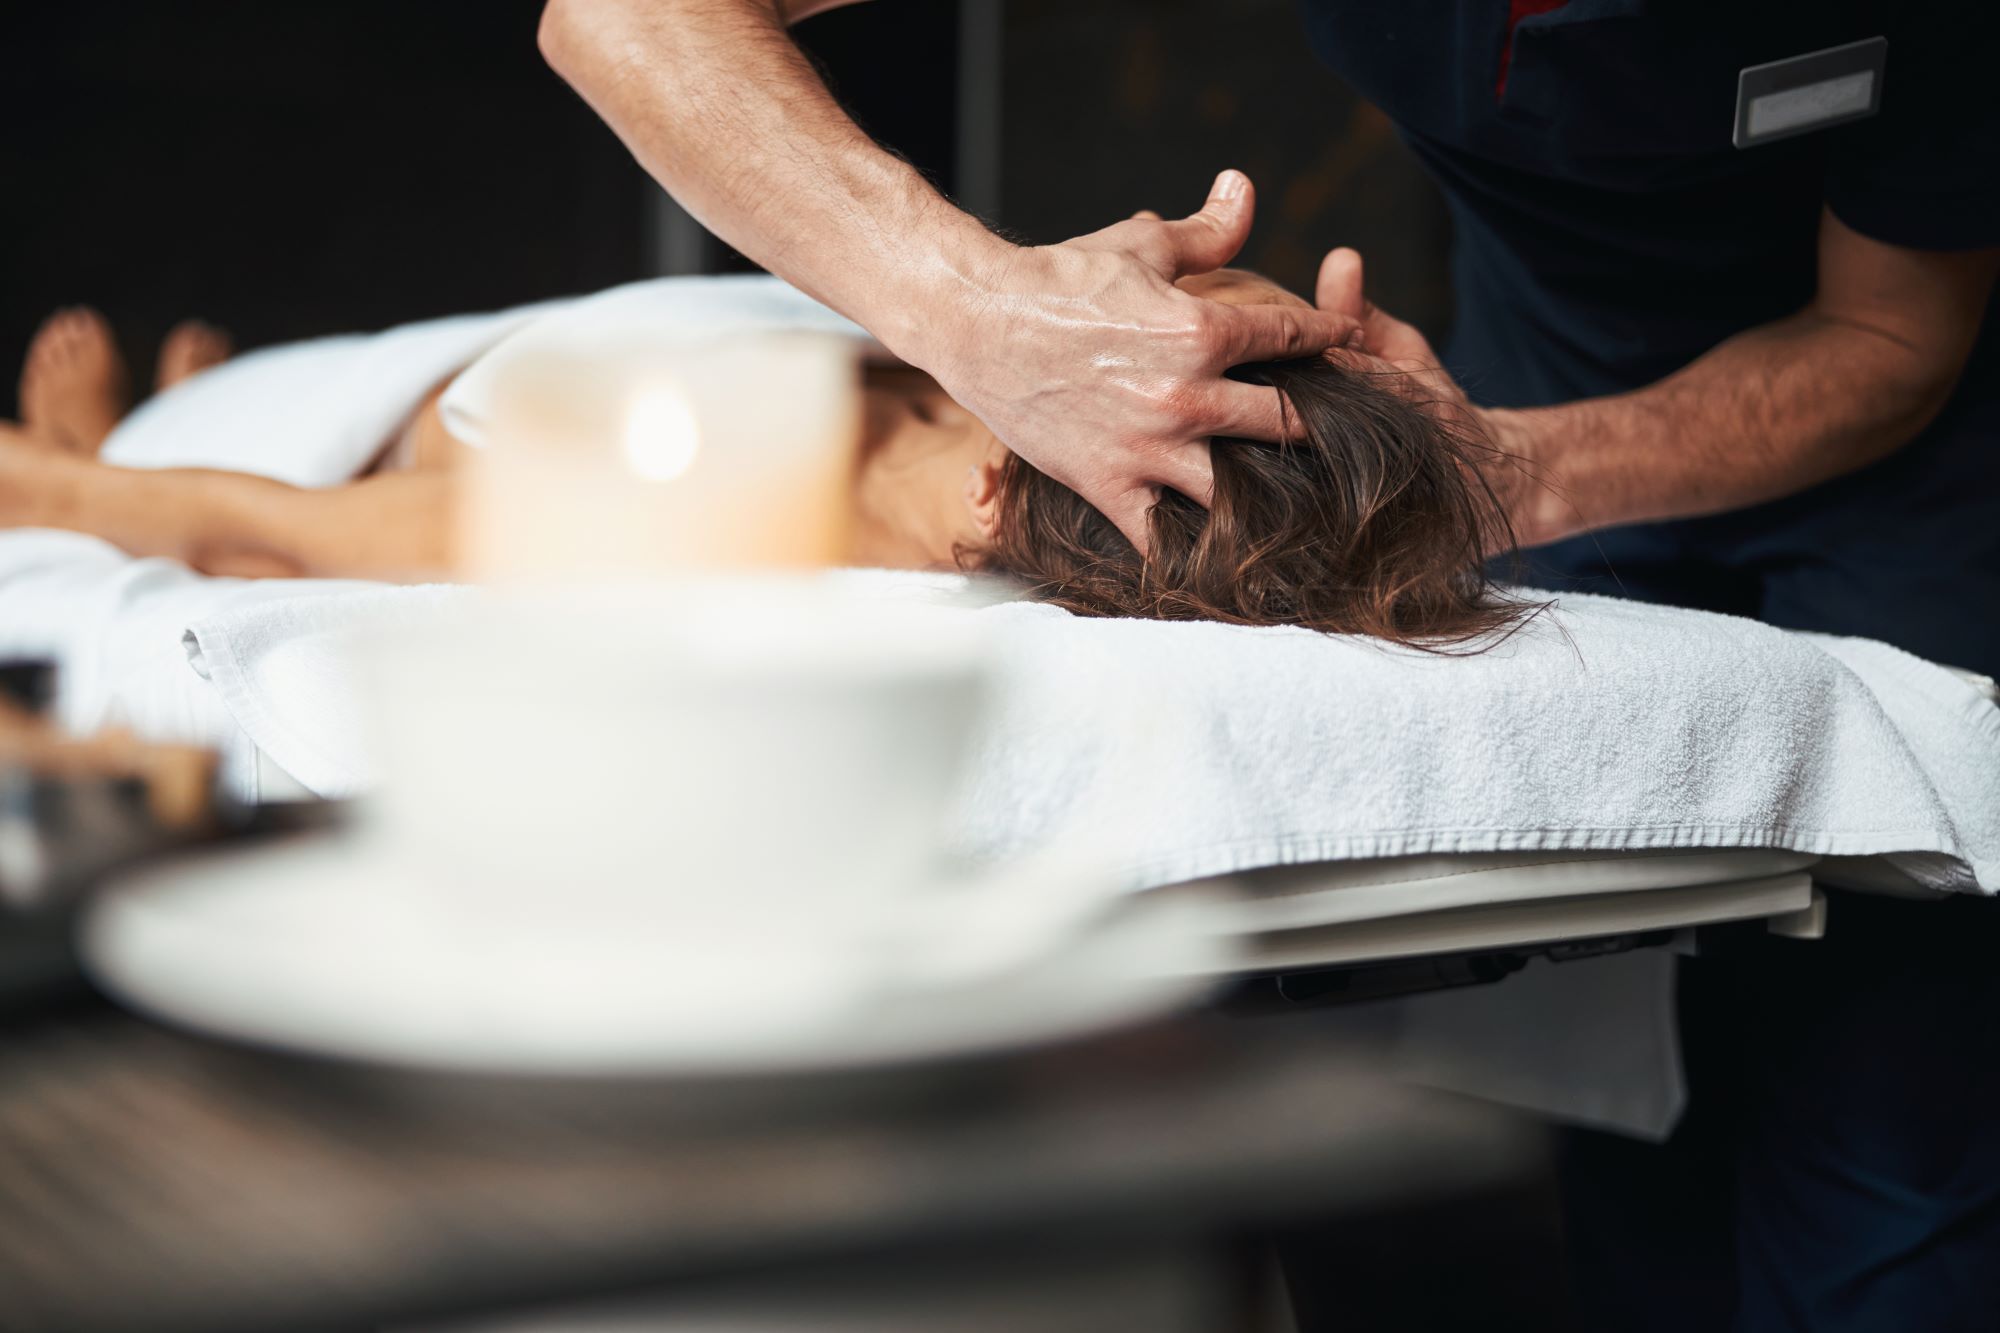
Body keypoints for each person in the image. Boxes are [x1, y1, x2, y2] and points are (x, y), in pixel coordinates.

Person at [531, 2, 1996, 1328]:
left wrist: (1516, 472)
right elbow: (628, 16)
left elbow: (1890, 331)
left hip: (1899, 438)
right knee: (1652, 1157)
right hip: (1544, 347)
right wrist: (983, 315)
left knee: (1889, 1121)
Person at [0, 270, 1529, 649]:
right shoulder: (1003, 410)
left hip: (354, 441)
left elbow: (255, 531)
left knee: (207, 464)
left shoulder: (704, 504)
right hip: (579, 336)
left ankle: (120, 424)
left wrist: (69, 491)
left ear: (992, 488)